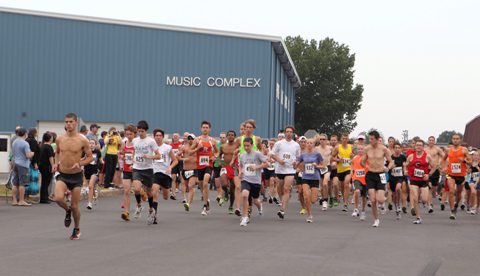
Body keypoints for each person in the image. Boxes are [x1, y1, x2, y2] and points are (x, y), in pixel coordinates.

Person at [53, 113, 93, 240]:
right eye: (66, 122)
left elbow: (90, 157)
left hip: (76, 176)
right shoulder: (60, 139)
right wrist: (55, 163)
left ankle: (76, 229)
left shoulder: (82, 140)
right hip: (63, 174)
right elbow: (57, 152)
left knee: (75, 205)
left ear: (76, 123)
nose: (68, 124)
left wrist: (80, 163)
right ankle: (67, 210)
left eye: (71, 122)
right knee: (58, 198)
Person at [361, 130, 393, 227]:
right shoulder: (367, 149)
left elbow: (391, 161)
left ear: (377, 139)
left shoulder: (384, 149)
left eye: (372, 139)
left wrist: (388, 168)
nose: (370, 140)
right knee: (373, 200)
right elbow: (362, 161)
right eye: (369, 139)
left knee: (380, 200)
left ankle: (383, 199)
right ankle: (376, 219)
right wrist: (365, 165)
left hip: (381, 175)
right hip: (370, 175)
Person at [131, 121, 160, 223]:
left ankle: (151, 209)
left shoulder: (151, 141)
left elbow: (158, 155)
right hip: (137, 168)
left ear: (146, 131)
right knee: (137, 189)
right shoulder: (135, 140)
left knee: (149, 192)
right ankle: (139, 206)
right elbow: (134, 151)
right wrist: (133, 158)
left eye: (142, 131)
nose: (140, 133)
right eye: (138, 131)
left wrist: (150, 156)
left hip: (148, 169)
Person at [270, 125, 301, 219]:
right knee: (280, 188)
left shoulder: (296, 145)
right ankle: (282, 200)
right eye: (287, 131)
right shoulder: (279, 143)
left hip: (290, 170)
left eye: (290, 132)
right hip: (279, 169)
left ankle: (282, 210)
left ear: (293, 133)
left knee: (286, 189)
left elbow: (298, 157)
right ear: (284, 133)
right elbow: (272, 154)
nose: (288, 133)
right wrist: (279, 160)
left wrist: (296, 163)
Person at [238, 137, 269, 226]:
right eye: (245, 146)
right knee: (244, 195)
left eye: (248, 146)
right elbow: (240, 165)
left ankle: (260, 207)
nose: (246, 148)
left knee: (255, 200)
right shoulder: (242, 155)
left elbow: (267, 164)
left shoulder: (257, 154)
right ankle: (245, 217)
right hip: (246, 179)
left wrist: (256, 167)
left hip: (255, 181)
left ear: (252, 145)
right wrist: (240, 172)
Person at [150, 129, 178, 224]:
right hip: (155, 173)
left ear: (162, 137)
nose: (158, 137)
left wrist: (170, 167)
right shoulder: (151, 148)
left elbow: (175, 160)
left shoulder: (167, 147)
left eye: (160, 135)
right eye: (156, 135)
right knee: (154, 192)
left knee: (166, 197)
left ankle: (166, 190)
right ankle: (154, 215)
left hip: (165, 174)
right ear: (154, 137)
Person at [191, 121, 219, 216]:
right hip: (199, 166)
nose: (205, 129)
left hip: (208, 165)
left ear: (209, 129)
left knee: (206, 183)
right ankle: (207, 202)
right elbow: (190, 152)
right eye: (203, 127)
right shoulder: (197, 140)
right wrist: (197, 148)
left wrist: (215, 157)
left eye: (207, 127)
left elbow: (218, 152)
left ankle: (204, 206)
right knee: (202, 186)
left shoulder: (213, 141)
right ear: (201, 128)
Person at [442, 134, 471, 220]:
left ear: (460, 140)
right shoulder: (448, 150)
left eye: (457, 139)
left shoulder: (464, 150)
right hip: (451, 174)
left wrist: (464, 160)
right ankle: (452, 210)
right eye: (454, 139)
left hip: (461, 175)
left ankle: (456, 205)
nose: (455, 140)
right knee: (451, 191)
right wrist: (444, 167)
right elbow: (443, 159)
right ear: (452, 139)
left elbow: (470, 161)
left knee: (458, 193)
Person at [296, 139, 325, 223]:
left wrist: (316, 166)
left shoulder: (317, 154)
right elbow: (297, 164)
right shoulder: (303, 155)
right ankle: (309, 215)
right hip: (305, 177)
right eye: (307, 143)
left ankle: (314, 199)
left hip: (315, 178)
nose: (309, 144)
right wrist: (295, 165)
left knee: (313, 200)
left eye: (311, 143)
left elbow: (323, 166)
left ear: (314, 144)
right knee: (306, 196)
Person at [406, 140, 433, 224]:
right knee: (415, 198)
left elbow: (435, 166)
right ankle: (418, 217)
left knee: (424, 199)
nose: (418, 147)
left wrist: (428, 174)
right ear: (415, 146)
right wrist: (406, 171)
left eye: (420, 145)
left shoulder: (427, 156)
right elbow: (406, 165)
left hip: (423, 180)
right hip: (414, 179)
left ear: (423, 147)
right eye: (417, 145)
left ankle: (424, 202)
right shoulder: (410, 156)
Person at [11, 128, 34, 206]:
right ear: (25, 134)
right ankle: (21, 200)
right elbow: (28, 155)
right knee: (22, 183)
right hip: (23, 164)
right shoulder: (25, 143)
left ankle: (14, 200)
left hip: (15, 162)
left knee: (15, 183)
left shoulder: (14, 142)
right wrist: (32, 153)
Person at [331, 133, 353, 212]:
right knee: (342, 187)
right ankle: (344, 200)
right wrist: (338, 160)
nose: (344, 140)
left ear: (348, 139)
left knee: (347, 184)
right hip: (340, 170)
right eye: (343, 138)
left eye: (346, 138)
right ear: (341, 139)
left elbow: (356, 157)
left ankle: (346, 203)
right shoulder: (338, 147)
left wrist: (352, 157)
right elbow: (332, 158)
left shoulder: (351, 147)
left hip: (348, 169)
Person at [120, 124, 137, 221]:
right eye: (127, 134)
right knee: (126, 191)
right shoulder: (125, 142)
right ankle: (126, 212)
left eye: (130, 134)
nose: (129, 136)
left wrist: (134, 162)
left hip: (136, 170)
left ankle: (140, 201)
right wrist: (122, 155)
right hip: (126, 169)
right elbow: (122, 152)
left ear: (134, 134)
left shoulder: (137, 144)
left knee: (137, 190)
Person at [425, 136, 445, 213]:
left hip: (435, 170)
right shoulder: (425, 149)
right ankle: (429, 205)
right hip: (427, 169)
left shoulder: (437, 149)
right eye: (430, 140)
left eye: (432, 140)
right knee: (428, 187)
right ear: (428, 141)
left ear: (434, 141)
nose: (431, 141)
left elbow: (444, 157)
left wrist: (441, 165)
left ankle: (434, 194)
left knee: (433, 188)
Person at [220, 130, 237, 214]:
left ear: (235, 137)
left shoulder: (237, 146)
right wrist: (219, 162)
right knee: (223, 184)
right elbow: (219, 155)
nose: (230, 136)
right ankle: (226, 192)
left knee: (232, 190)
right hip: (226, 167)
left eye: (232, 135)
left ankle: (231, 206)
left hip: (234, 168)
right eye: (229, 135)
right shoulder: (223, 146)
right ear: (227, 136)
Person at [180, 133, 198, 212]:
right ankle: (185, 197)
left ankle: (188, 203)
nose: (190, 140)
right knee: (184, 185)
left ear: (194, 139)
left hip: (194, 169)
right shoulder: (183, 147)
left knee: (191, 186)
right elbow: (177, 156)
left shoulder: (198, 147)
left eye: (192, 139)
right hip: (185, 169)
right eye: (189, 138)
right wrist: (183, 159)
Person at [389, 142, 407, 219]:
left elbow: (405, 166)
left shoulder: (403, 157)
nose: (397, 149)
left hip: (400, 177)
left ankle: (399, 205)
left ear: (401, 149)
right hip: (392, 177)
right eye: (395, 148)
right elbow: (387, 168)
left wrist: (405, 169)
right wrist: (391, 167)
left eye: (398, 148)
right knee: (393, 193)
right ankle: (396, 206)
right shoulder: (390, 157)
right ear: (393, 149)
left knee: (398, 188)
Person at [84, 139, 103, 210]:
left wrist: (102, 162)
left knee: (90, 185)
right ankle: (95, 195)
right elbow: (81, 159)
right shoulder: (85, 152)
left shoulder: (97, 151)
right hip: (87, 171)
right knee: (91, 187)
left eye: (93, 143)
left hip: (95, 170)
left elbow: (100, 159)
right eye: (90, 143)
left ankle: (89, 203)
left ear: (95, 144)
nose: (91, 144)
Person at [315, 134, 333, 211]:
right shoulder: (316, 149)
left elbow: (335, 156)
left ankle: (325, 201)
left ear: (326, 140)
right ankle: (323, 199)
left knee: (325, 183)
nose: (322, 141)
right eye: (321, 139)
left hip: (327, 167)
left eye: (323, 139)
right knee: (322, 186)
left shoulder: (330, 148)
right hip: (319, 168)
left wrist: (334, 162)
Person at [351, 145, 368, 220]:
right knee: (357, 191)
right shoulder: (355, 158)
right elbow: (351, 164)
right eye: (359, 149)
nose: (360, 150)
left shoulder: (367, 158)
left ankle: (363, 211)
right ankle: (355, 208)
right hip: (356, 178)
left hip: (365, 179)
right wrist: (351, 171)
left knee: (364, 196)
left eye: (362, 149)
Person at [38, 132, 55, 203]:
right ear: (50, 138)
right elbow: (51, 158)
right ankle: (44, 198)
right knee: (46, 183)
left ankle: (43, 197)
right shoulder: (49, 147)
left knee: (43, 182)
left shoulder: (41, 146)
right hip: (47, 166)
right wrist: (53, 166)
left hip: (41, 166)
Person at [213, 132, 227, 205]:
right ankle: (219, 196)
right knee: (218, 184)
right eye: (220, 137)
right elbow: (213, 154)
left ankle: (221, 196)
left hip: (225, 166)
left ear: (226, 138)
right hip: (216, 166)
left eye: (223, 137)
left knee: (224, 184)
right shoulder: (217, 146)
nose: (222, 139)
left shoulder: (228, 146)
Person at [296, 136, 308, 215]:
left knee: (306, 191)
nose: (303, 143)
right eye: (301, 142)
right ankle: (303, 207)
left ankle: (307, 206)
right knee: (300, 191)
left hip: (308, 173)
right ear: (299, 143)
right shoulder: (297, 151)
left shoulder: (309, 151)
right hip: (299, 173)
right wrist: (296, 168)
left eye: (304, 142)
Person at [169, 133, 183, 200]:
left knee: (182, 177)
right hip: (173, 162)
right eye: (174, 136)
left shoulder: (181, 144)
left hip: (180, 162)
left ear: (179, 137)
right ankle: (173, 194)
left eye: (176, 136)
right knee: (173, 178)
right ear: (173, 137)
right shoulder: (170, 145)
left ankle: (184, 196)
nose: (175, 137)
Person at [466, 150, 479, 214]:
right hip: (472, 180)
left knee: (478, 195)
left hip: (478, 180)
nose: (476, 157)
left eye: (477, 155)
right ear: (473, 157)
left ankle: (475, 207)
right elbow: (468, 172)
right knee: (473, 192)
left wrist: (477, 167)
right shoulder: (472, 163)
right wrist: (468, 168)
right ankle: (472, 206)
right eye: (474, 155)